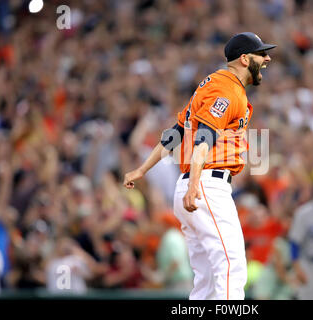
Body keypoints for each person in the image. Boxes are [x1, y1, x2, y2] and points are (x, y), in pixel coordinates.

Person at [124, 32, 276, 300]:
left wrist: (142, 169)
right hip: (206, 185)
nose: (267, 58)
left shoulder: (211, 85)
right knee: (231, 265)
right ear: (244, 59)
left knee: (206, 281)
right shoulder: (226, 89)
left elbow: (176, 132)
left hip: (193, 186)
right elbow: (203, 138)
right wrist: (195, 184)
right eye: (261, 54)